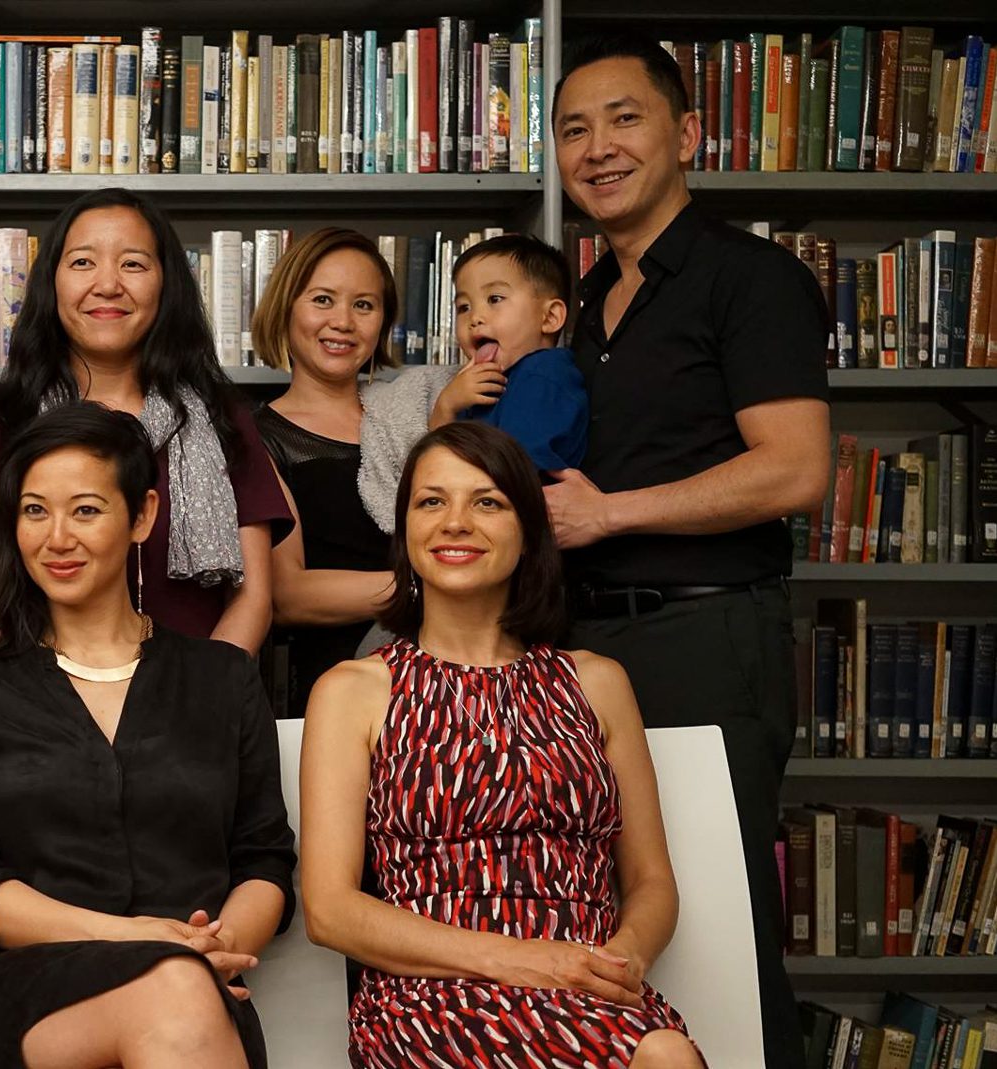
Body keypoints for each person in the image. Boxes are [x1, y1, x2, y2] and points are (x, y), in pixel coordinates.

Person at [552, 33, 831, 1068]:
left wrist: (611, 514)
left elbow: (794, 470)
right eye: (573, 129)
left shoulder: (746, 278)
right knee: (623, 929)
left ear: (688, 135)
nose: (597, 148)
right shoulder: (583, 306)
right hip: (589, 649)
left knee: (721, 928)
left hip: (706, 636)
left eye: (624, 119)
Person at [299, 422, 701, 1069]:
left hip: (587, 985)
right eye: (432, 501)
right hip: (430, 992)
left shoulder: (597, 682)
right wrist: (523, 961)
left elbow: (652, 880)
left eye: (486, 501)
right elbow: (331, 910)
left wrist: (619, 957)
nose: (456, 521)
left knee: (665, 1054)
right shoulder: (354, 690)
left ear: (528, 533)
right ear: (405, 532)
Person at [0, 402, 298, 1069]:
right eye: (35, 510)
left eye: (86, 510)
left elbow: (264, 862)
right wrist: (149, 945)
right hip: (15, 1003)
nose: (56, 536)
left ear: (143, 515)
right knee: (174, 987)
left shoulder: (223, 677)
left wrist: (210, 948)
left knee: (179, 995)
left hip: (197, 994)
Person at [0, 188, 292, 655]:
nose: (107, 285)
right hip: (31, 712)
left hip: (194, 710)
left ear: (166, 285)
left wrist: (207, 699)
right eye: (83, 262)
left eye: (134, 264)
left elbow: (253, 599)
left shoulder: (222, 418)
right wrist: (43, 707)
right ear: (52, 282)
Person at [250, 227, 459, 716]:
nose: (343, 322)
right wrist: (436, 584)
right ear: (287, 308)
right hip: (340, 689)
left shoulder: (412, 415)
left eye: (364, 305)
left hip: (454, 676)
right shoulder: (257, 438)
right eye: (323, 300)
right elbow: (288, 594)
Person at [446, 233, 588, 472]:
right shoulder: (481, 383)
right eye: (464, 307)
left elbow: (514, 473)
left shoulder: (542, 375)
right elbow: (440, 462)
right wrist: (446, 405)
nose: (475, 318)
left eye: (495, 299)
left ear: (550, 317)